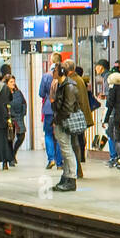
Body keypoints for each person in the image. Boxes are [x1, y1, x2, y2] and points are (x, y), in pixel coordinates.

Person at [51, 63, 83, 191]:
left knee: (67, 150)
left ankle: (71, 178)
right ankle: (66, 176)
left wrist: (57, 120)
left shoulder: (68, 86)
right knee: (65, 150)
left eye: (55, 70)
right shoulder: (61, 85)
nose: (53, 72)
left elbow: (67, 107)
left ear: (61, 72)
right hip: (62, 120)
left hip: (65, 122)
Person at [38, 59, 63, 170]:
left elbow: (41, 93)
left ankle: (51, 159)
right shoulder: (62, 79)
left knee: (48, 134)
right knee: (58, 136)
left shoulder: (45, 77)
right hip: (60, 109)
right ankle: (59, 162)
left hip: (48, 109)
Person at [5, 74, 27, 164]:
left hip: (19, 117)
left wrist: (23, 112)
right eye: (11, 82)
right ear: (6, 83)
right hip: (10, 118)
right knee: (10, 138)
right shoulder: (5, 94)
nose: (13, 83)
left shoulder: (18, 92)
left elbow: (24, 102)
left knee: (21, 136)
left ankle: (14, 153)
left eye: (14, 82)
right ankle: (11, 158)